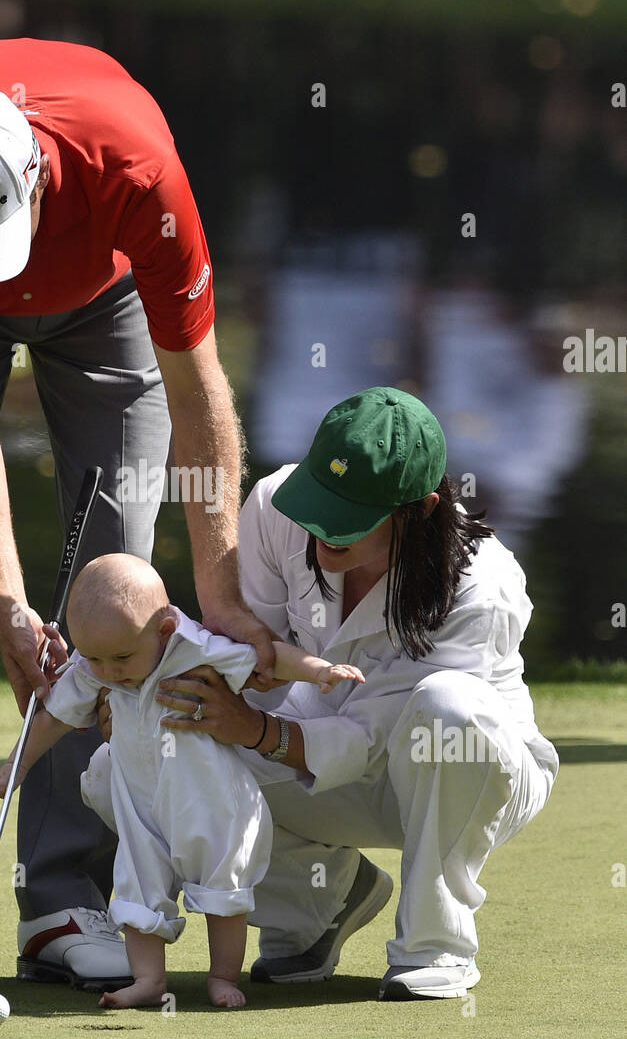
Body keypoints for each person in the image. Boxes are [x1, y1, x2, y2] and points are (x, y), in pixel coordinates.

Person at [0, 40, 275, 1000]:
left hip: (104, 292)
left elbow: (198, 389)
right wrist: (5, 601)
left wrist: (218, 587)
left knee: (115, 570)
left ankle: (64, 896)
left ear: (39, 176)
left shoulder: (134, 169)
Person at [96, 387, 559, 1000]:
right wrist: (140, 689)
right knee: (122, 768)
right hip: (322, 751)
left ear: (416, 510)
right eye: (320, 498)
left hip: (464, 775)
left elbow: (370, 738)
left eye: (350, 513)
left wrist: (256, 732)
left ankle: (435, 945)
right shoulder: (274, 507)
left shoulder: (484, 586)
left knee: (449, 709)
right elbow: (246, 663)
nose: (319, 530)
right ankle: (320, 905)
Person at [0, 554, 363, 1008]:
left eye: (120, 657)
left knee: (224, 892)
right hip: (142, 813)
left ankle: (222, 977)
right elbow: (51, 721)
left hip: (213, 805)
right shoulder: (94, 667)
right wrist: (13, 766)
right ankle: (148, 981)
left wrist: (318, 669)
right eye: (95, 657)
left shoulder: (196, 648)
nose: (107, 671)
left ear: (163, 631)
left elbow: (269, 659)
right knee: (137, 890)